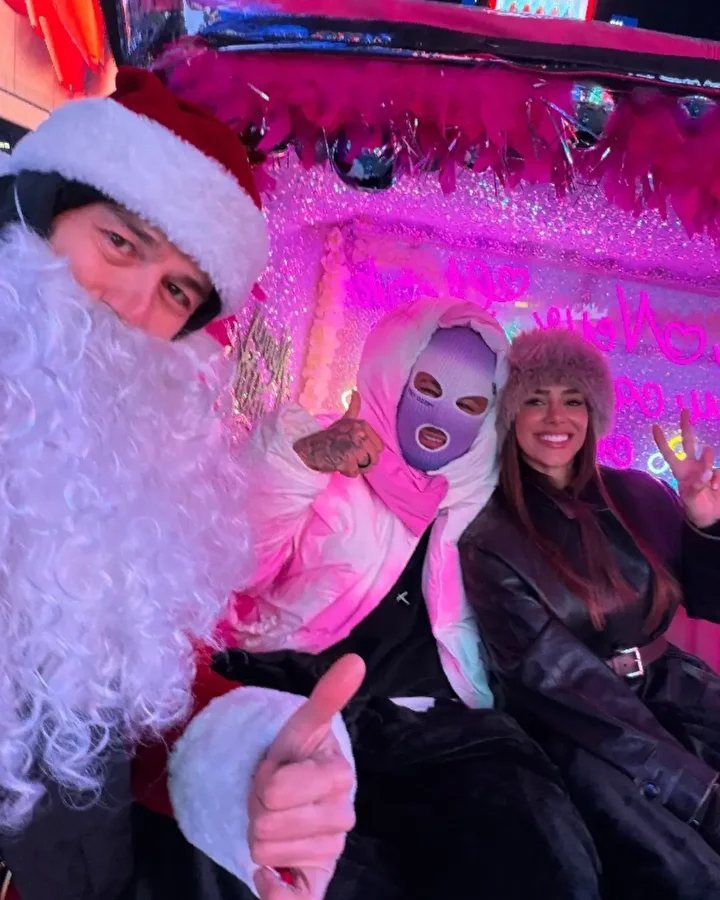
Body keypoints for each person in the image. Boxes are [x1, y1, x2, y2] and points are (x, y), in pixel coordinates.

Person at [0, 66, 361, 900]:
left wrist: (255, 768)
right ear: (41, 212)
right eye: (120, 243)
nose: (131, 305)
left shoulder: (120, 475)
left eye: (175, 290)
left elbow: (141, 710)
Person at [169, 296, 603, 900]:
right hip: (300, 697)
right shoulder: (318, 448)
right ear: (393, 372)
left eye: (471, 405)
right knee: (289, 855)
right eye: (428, 387)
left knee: (540, 849)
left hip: (446, 725)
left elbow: (570, 508)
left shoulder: (488, 496)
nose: (444, 414)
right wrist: (302, 465)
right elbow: (230, 565)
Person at [459, 327, 720, 900]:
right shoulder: (488, 535)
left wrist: (705, 526)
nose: (556, 416)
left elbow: (709, 603)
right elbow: (557, 680)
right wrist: (695, 790)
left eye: (573, 398)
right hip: (583, 733)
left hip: (678, 689)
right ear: (509, 412)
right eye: (536, 398)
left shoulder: (639, 494)